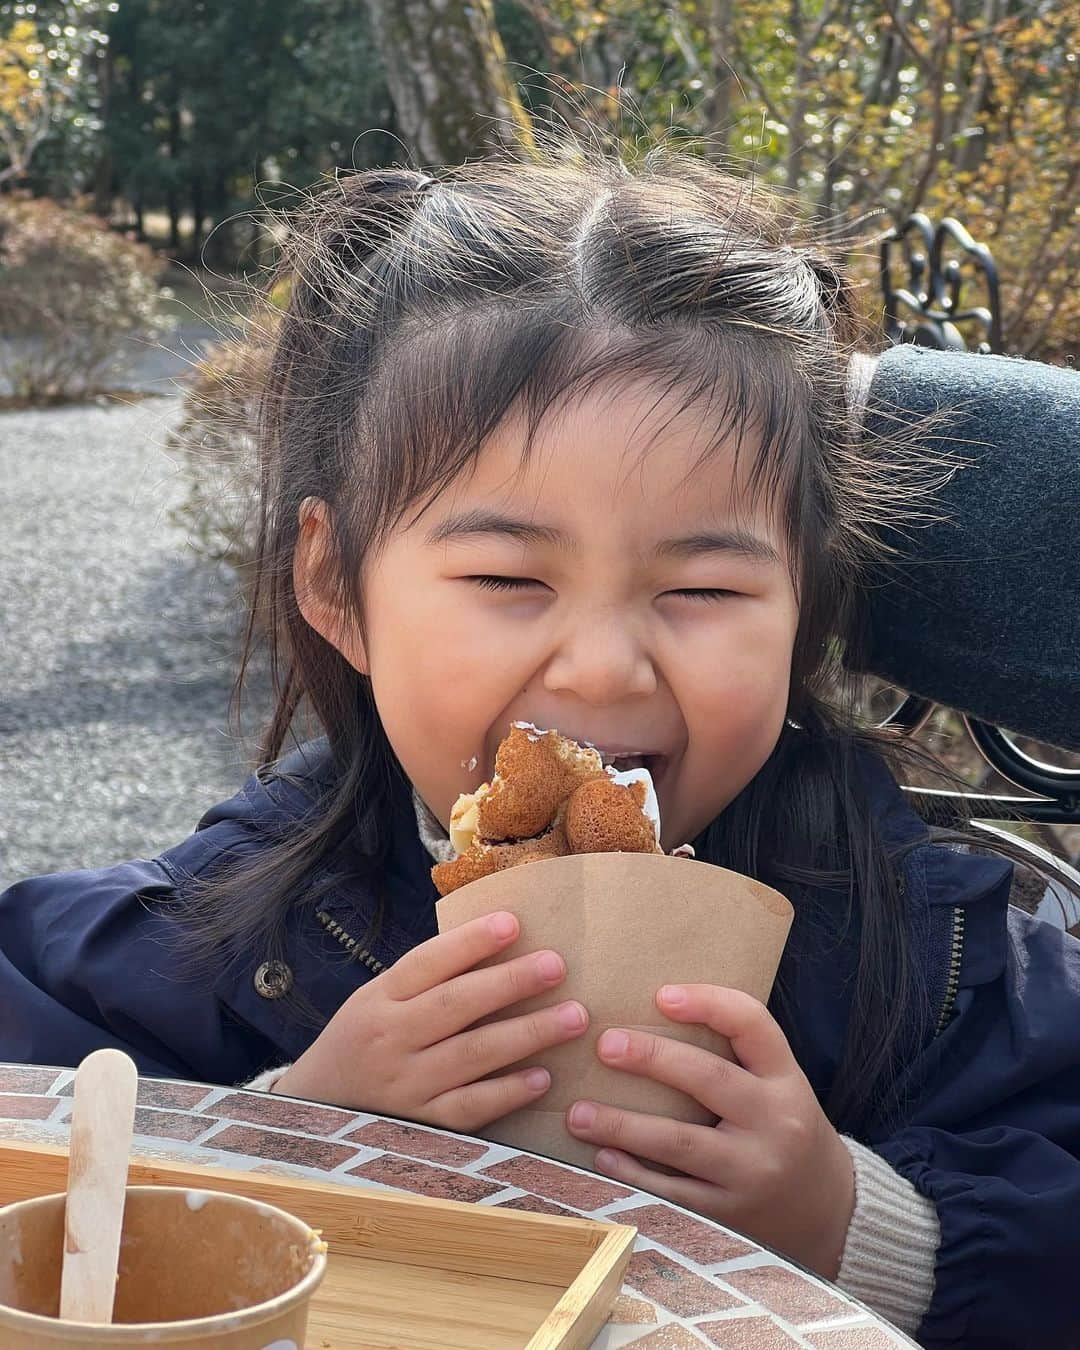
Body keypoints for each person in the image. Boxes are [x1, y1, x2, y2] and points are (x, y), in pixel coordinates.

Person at [1, 137, 1078, 1349]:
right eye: (510, 577)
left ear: (806, 613)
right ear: (336, 584)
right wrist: (290, 1122)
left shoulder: (930, 951)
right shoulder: (241, 931)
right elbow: (41, 1140)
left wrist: (856, 1225)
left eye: (706, 591)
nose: (604, 665)